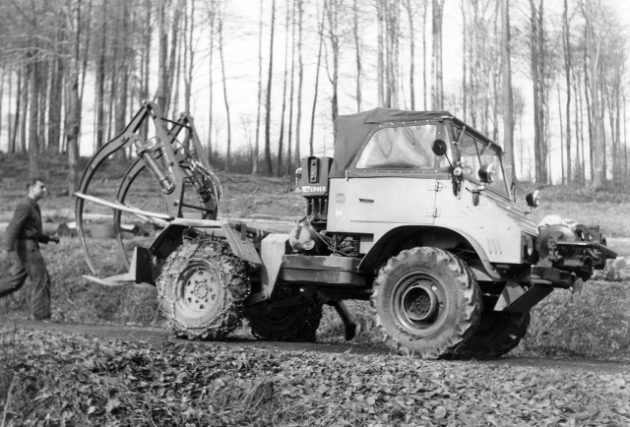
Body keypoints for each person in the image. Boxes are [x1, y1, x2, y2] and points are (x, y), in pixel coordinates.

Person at [0, 177, 59, 321]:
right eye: (41, 187)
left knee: (15, 281)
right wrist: (6, 249)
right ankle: (41, 316)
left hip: (27, 245)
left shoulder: (34, 206)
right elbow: (13, 227)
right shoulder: (25, 205)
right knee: (41, 279)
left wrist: (49, 239)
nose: (45, 190)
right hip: (27, 248)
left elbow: (32, 231)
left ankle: (41, 315)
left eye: (45, 187)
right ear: (31, 188)